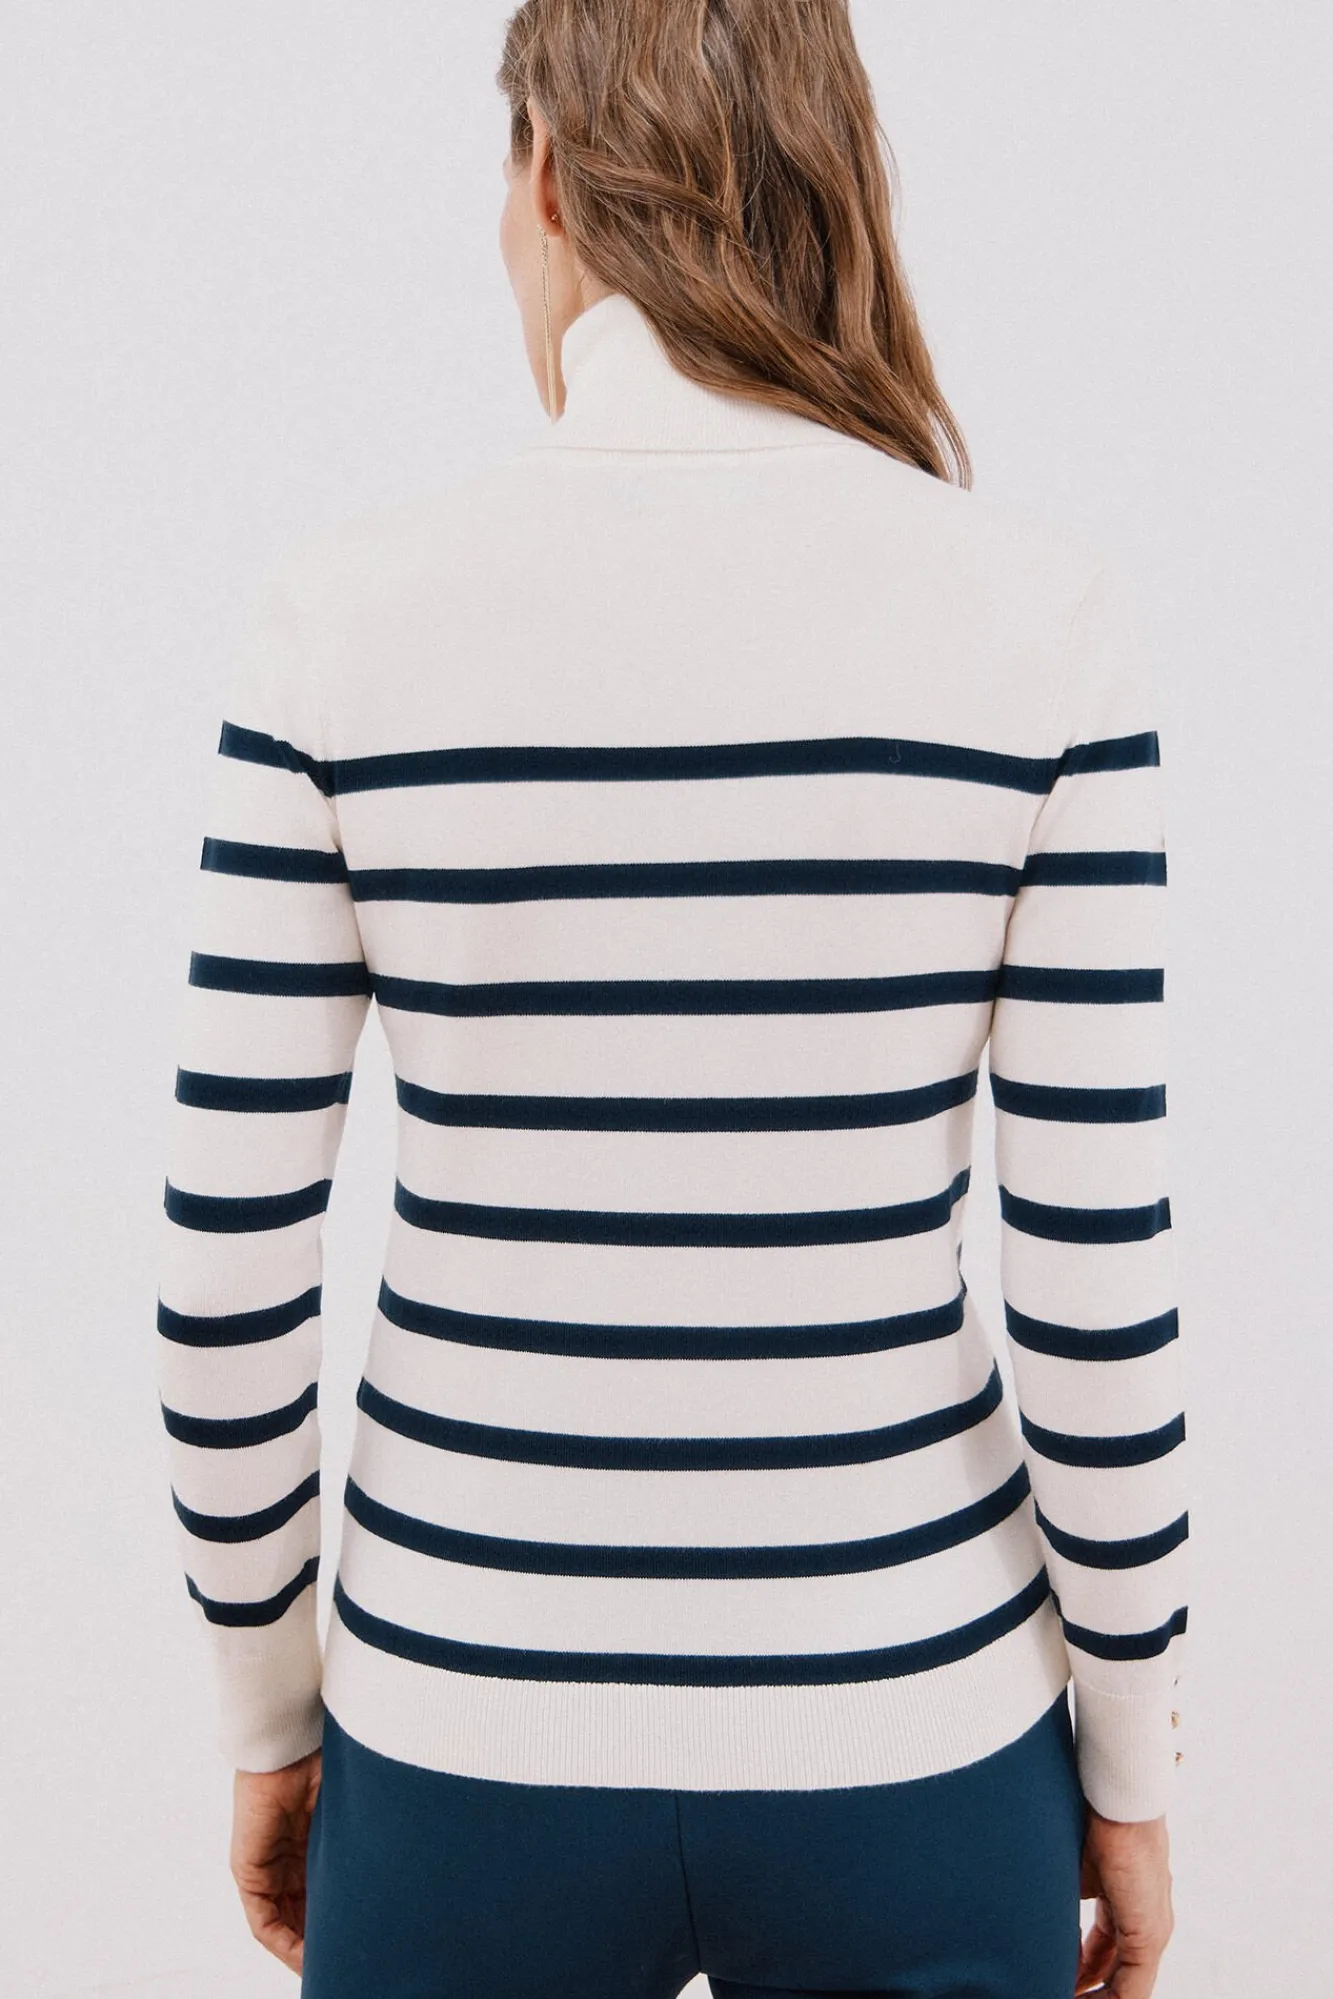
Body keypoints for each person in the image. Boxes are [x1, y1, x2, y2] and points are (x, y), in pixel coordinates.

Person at [156, 3, 1188, 1995]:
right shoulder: (1045, 621)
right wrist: (1135, 1761)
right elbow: (1092, 1284)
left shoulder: (339, 619)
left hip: (460, 1728)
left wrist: (270, 1715)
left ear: (546, 178)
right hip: (913, 1726)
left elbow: (225, 1280)